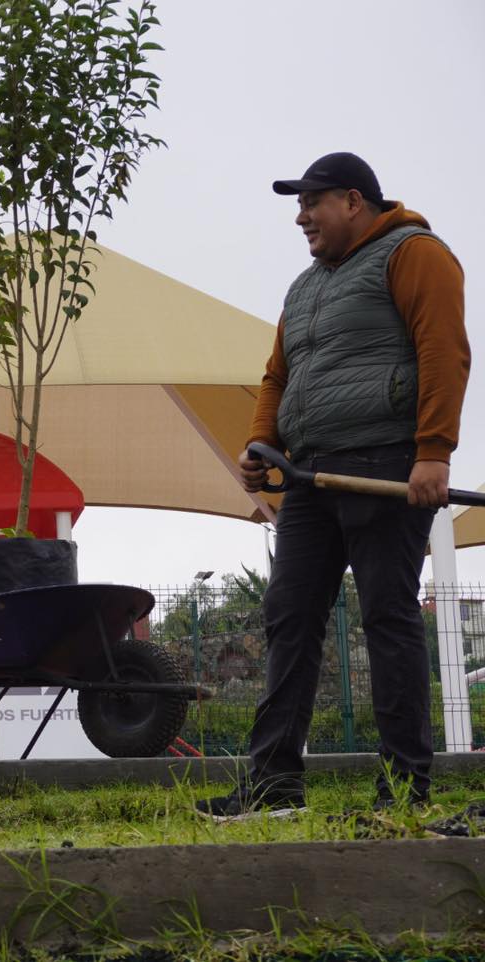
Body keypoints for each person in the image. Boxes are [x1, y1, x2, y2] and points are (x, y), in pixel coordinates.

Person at [199, 152, 470, 820]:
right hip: (311, 474)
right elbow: (276, 375)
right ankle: (273, 785)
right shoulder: (305, 287)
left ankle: (403, 789)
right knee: (289, 618)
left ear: (353, 201)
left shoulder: (415, 253)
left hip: (384, 463)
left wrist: (433, 452)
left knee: (387, 617)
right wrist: (262, 444)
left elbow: (444, 349)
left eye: (311, 203)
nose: (300, 217)